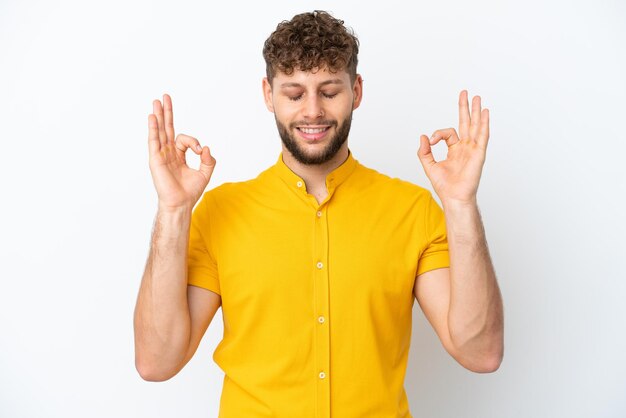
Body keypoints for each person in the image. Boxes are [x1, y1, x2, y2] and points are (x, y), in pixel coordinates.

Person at [133, 9, 504, 418]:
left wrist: (461, 205)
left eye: (329, 92)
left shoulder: (413, 211)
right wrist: (172, 210)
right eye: (294, 94)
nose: (312, 111)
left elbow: (480, 352)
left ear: (356, 91)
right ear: (267, 94)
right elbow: (157, 361)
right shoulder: (220, 212)